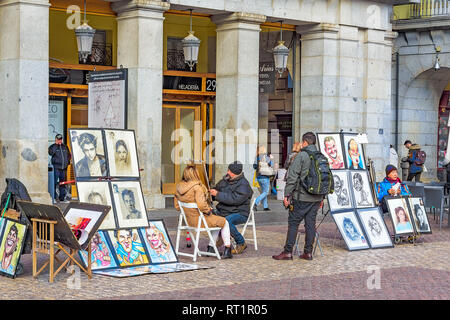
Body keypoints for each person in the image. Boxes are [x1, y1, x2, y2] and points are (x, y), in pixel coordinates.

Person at [272, 132, 324, 261]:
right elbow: (324, 178)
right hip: (317, 197)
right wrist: (323, 197)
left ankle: (288, 252)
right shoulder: (321, 156)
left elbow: (292, 177)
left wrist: (287, 195)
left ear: (305, 142)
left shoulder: (302, 155)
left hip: (302, 197)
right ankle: (308, 252)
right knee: (310, 224)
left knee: (293, 223)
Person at [174, 165, 233, 259]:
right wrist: (208, 210)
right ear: (196, 174)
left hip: (188, 221)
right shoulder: (197, 188)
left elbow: (177, 206)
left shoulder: (179, 187)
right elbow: (201, 205)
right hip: (200, 221)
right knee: (224, 222)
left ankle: (211, 247)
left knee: (217, 223)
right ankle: (227, 249)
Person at [210, 161, 253, 255]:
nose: (228, 172)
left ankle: (241, 242)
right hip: (225, 210)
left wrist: (218, 194)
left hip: (240, 212)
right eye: (228, 170)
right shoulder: (225, 180)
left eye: (230, 171)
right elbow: (217, 189)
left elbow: (235, 200)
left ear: (236, 173)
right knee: (210, 217)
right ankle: (221, 238)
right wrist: (212, 194)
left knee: (226, 221)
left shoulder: (244, 184)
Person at [48, 133, 72, 202]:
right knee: (54, 183)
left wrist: (67, 163)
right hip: (56, 168)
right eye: (58, 139)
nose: (60, 141)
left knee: (63, 184)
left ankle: (62, 198)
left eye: (61, 139)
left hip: (64, 169)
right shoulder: (52, 146)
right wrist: (56, 145)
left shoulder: (65, 147)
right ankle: (54, 198)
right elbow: (50, 153)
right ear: (56, 139)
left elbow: (69, 155)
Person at [253, 145, 273, 212]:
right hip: (265, 176)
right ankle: (255, 202)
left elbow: (254, 166)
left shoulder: (257, 157)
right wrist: (271, 159)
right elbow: (271, 165)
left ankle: (265, 206)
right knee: (266, 192)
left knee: (264, 191)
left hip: (259, 177)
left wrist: (259, 166)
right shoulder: (266, 157)